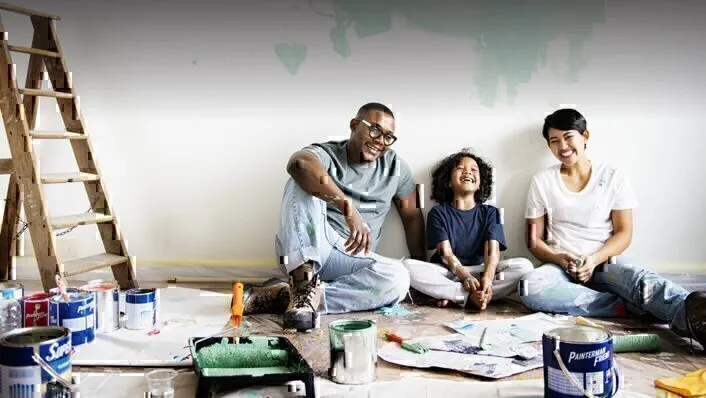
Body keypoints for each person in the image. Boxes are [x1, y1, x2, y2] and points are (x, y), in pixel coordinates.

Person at [519, 108, 706, 347]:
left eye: (568, 137)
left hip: (606, 262)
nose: (562, 146)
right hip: (560, 267)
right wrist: (560, 258)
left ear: (585, 136)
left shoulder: (612, 175)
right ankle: (625, 307)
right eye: (554, 141)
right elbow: (534, 241)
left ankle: (693, 317)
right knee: (528, 286)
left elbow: (624, 233)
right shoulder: (542, 180)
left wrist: (595, 258)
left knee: (642, 281)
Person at [242, 102, 425, 331]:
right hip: (306, 247)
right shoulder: (328, 153)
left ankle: (292, 297)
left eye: (388, 136)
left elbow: (413, 216)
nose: (380, 140)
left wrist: (423, 271)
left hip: (353, 257)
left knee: (399, 279)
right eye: (375, 129)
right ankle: (302, 281)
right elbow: (299, 164)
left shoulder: (397, 168)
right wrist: (349, 209)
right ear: (354, 125)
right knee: (299, 182)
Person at [403, 149, 534, 311]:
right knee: (407, 267)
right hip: (448, 273)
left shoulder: (491, 213)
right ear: (448, 182)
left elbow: (492, 253)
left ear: (480, 183)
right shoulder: (438, 213)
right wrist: (465, 277)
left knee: (524, 267)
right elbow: (446, 255)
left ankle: (461, 296)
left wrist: (487, 278)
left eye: (474, 169)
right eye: (460, 168)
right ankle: (466, 296)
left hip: (480, 271)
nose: (467, 172)